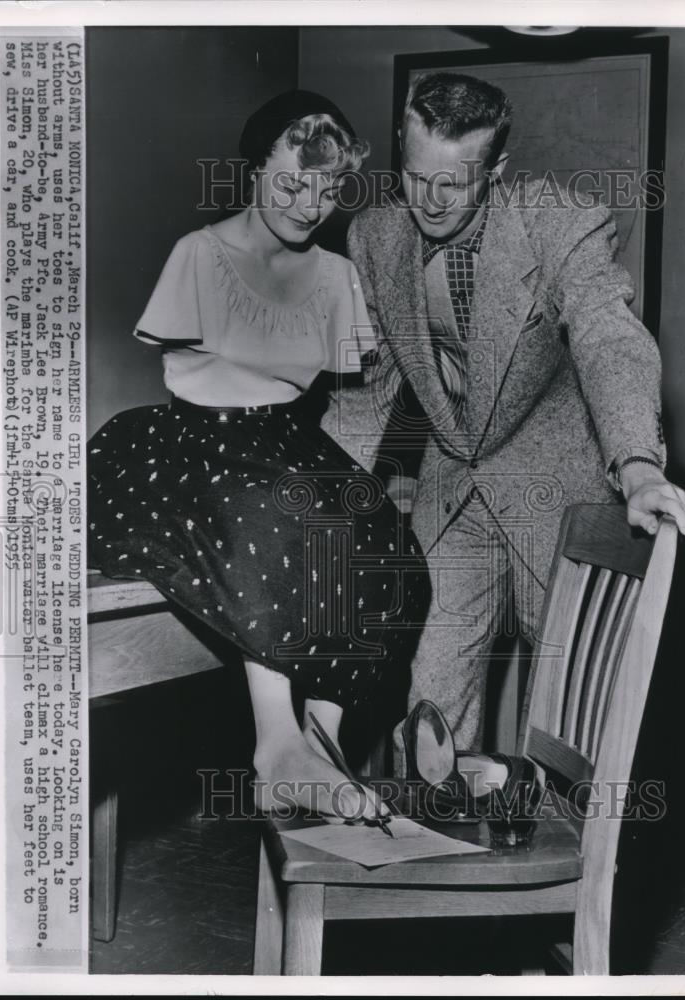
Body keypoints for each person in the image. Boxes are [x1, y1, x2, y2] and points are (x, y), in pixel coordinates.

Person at [323, 72, 685, 766]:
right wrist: (318, 491)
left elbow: (606, 337)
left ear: (495, 170)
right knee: (430, 701)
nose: (428, 203)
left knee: (567, 720)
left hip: (557, 490)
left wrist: (640, 469)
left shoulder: (561, 221)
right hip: (452, 491)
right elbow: (366, 390)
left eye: (452, 185)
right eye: (413, 177)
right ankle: (435, 848)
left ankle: (561, 873)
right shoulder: (373, 237)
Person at [87, 90, 433, 823]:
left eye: (327, 188)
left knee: (389, 549)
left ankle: (318, 741)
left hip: (286, 441)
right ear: (252, 173)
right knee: (273, 517)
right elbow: (188, 379)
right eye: (289, 184)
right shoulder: (199, 256)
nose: (309, 205)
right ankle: (274, 745)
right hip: (193, 440)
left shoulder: (338, 277)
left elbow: (355, 400)